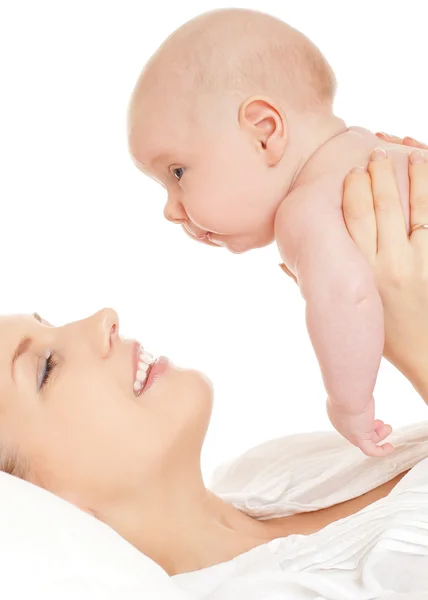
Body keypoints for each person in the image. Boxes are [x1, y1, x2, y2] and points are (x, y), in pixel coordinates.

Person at [1, 151, 428, 595]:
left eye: (50, 325)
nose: (102, 318)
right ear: (40, 502)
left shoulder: (266, 469)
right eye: (45, 369)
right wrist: (417, 338)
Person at [127, 8, 427, 457]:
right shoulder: (379, 150)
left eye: (177, 172)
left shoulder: (304, 210)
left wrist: (348, 404)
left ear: (265, 132)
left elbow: (348, 297)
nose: (172, 209)